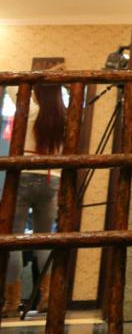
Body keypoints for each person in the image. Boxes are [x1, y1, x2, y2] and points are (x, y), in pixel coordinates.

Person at [3, 82, 66, 317]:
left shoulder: (29, 110)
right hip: (52, 178)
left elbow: (10, 87)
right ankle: (47, 298)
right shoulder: (64, 117)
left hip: (24, 175)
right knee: (44, 239)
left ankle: (11, 303)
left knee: (13, 241)